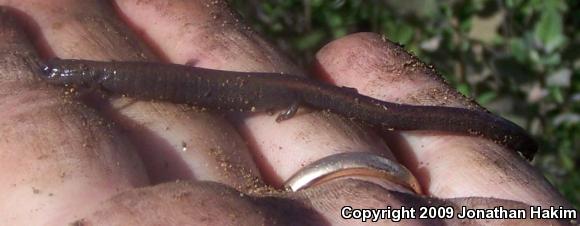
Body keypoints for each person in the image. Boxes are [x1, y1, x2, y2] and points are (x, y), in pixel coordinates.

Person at [0, 0, 575, 225]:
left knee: (375, 108)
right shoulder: (99, 79)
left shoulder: (97, 78)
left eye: (64, 76)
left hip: (288, 95)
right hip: (279, 94)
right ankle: (504, 131)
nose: (63, 80)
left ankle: (503, 130)